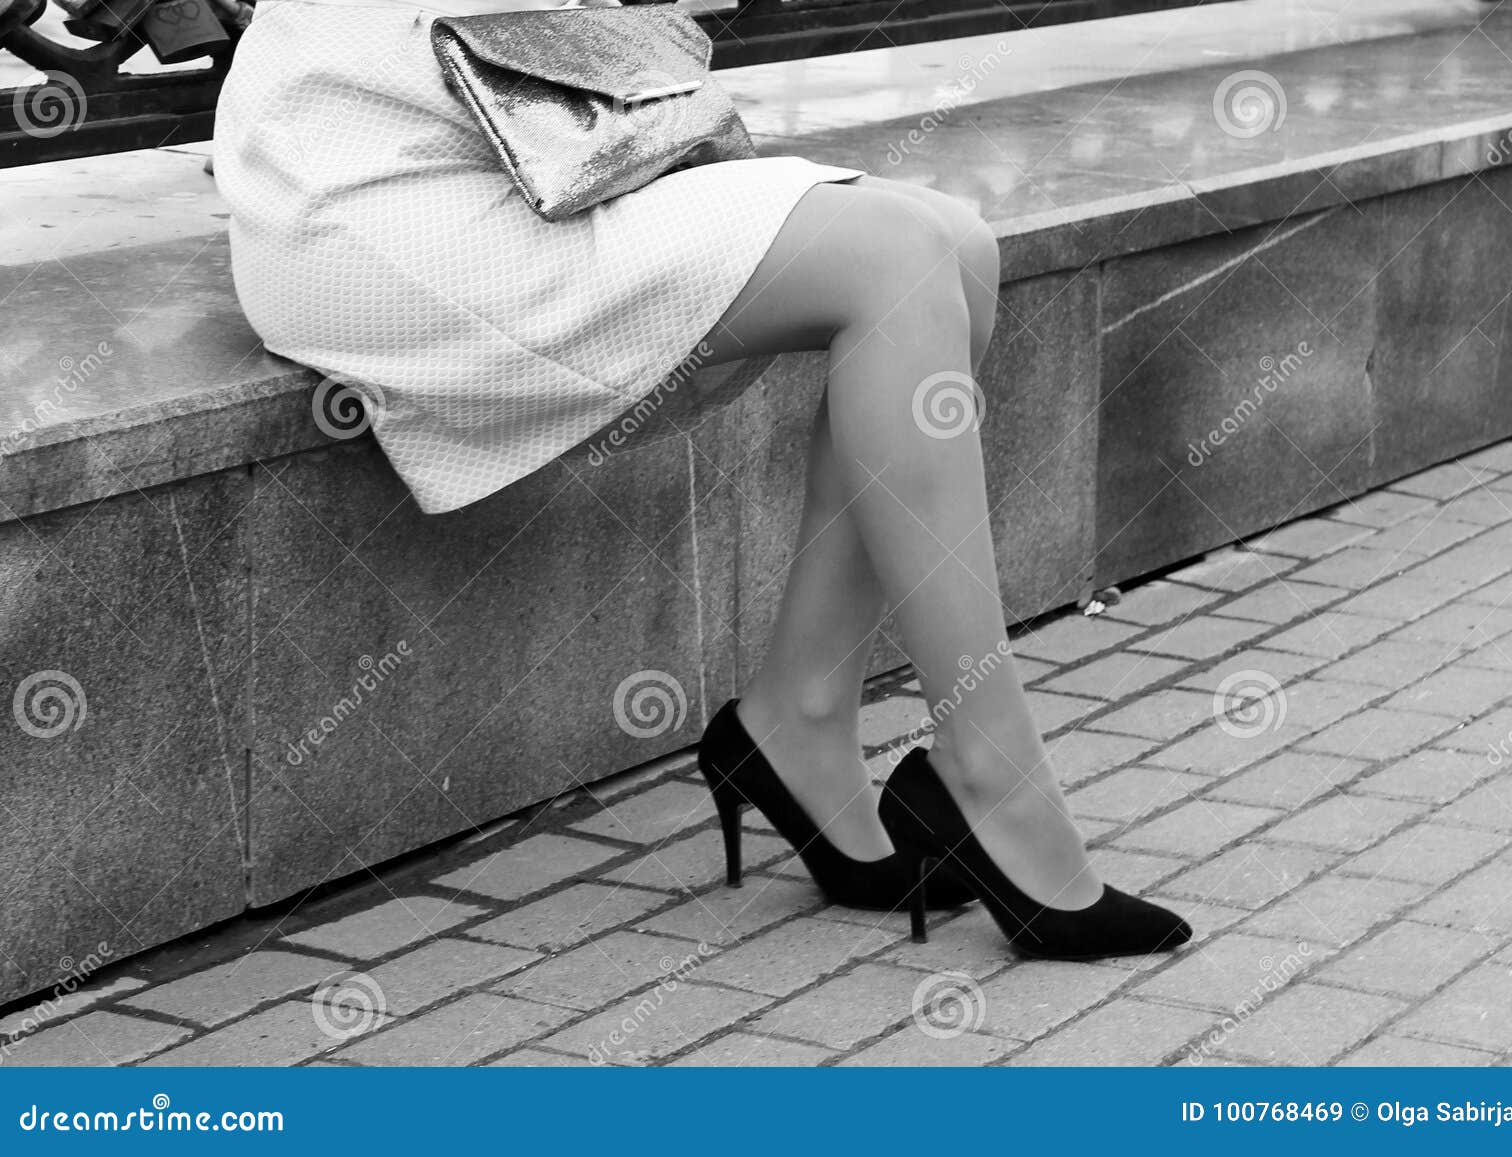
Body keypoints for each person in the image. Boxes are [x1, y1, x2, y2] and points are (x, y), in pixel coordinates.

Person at [213, 0, 1190, 961]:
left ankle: (800, 718)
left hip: (502, 148)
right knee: (898, 255)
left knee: (956, 245)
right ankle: (992, 777)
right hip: (370, 187)